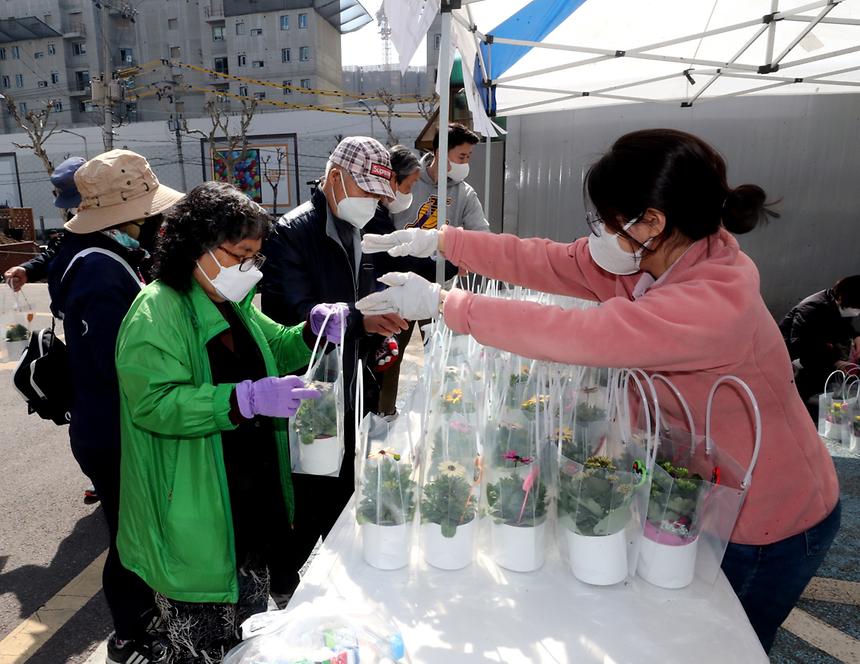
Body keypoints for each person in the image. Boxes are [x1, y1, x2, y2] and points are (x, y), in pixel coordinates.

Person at [359, 128, 841, 653]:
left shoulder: (715, 297)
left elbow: (582, 335)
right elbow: (544, 261)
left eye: (608, 220)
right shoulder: (655, 257)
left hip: (766, 517)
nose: (599, 235)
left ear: (651, 221)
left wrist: (449, 306)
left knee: (722, 646)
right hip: (702, 493)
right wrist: (442, 241)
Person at [114, 181, 342, 663]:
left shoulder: (228, 301)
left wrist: (309, 332)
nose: (249, 268)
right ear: (198, 245)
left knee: (246, 637)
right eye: (240, 254)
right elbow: (155, 403)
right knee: (198, 644)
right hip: (193, 506)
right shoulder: (156, 312)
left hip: (245, 503)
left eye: (255, 257)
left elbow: (276, 345)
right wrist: (242, 400)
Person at [47, 149, 185, 664]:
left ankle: (144, 620)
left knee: (135, 527)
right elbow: (119, 364)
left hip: (108, 421)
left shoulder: (99, 255)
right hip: (114, 428)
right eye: (150, 213)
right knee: (131, 535)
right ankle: (131, 634)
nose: (156, 221)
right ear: (124, 216)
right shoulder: (101, 272)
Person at [260, 136, 408, 599]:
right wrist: (358, 318)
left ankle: (339, 577)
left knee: (346, 481)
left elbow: (371, 289)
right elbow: (295, 313)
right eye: (364, 191)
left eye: (377, 194)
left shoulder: (367, 224)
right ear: (334, 178)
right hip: (308, 385)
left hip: (352, 376)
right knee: (309, 490)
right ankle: (288, 585)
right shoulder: (292, 232)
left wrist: (379, 329)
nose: (372, 203)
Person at [366, 144, 457, 415]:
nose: (409, 193)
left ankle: (385, 414)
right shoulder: (374, 216)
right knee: (387, 361)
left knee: (398, 358)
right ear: (393, 178)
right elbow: (399, 261)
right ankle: (380, 416)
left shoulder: (381, 214)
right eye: (409, 186)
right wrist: (449, 263)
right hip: (387, 299)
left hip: (400, 294)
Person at [779, 276, 860, 418]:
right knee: (811, 377)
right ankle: (793, 411)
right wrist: (835, 361)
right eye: (858, 308)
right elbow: (801, 343)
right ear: (844, 298)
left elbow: (844, 326)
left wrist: (856, 336)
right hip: (791, 353)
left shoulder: (839, 305)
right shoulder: (812, 308)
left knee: (828, 375)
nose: (858, 312)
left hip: (816, 348)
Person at [3, 156, 84, 291]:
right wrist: (27, 270)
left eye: (77, 203)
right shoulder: (74, 217)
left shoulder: (116, 224)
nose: (76, 209)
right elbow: (58, 251)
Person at [391, 122, 489, 234]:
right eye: (461, 157)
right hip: (400, 250)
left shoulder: (465, 193)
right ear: (440, 153)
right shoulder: (407, 178)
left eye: (468, 156)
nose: (465, 162)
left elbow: (481, 233)